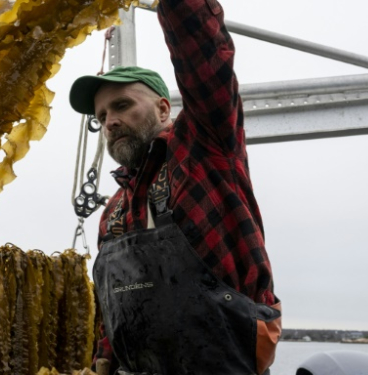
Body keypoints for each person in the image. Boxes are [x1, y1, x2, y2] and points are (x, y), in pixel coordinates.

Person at [69, 0, 282, 374]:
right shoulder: (112, 212)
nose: (110, 122)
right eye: (102, 115)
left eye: (121, 105)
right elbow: (116, 305)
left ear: (164, 110)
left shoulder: (205, 151)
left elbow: (201, 56)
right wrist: (103, 359)